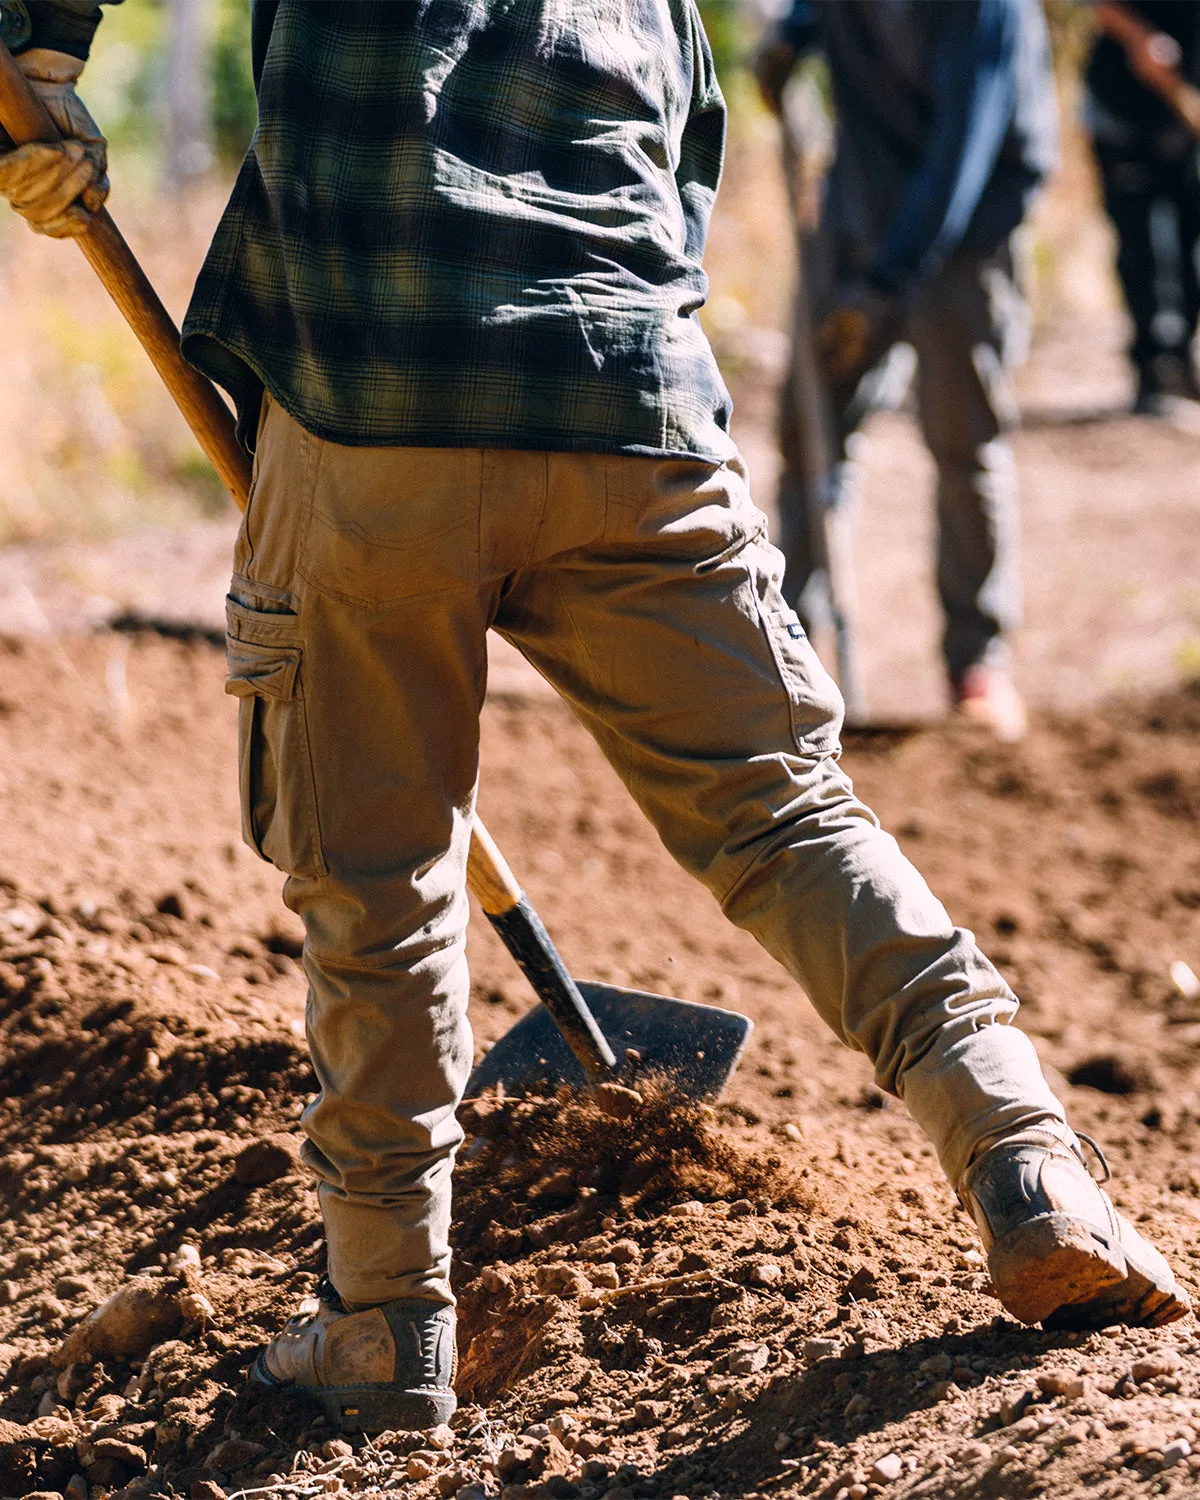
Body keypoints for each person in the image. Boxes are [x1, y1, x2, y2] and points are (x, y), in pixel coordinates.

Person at [1, 0, 1187, 1435]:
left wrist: (38, 61)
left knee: (381, 878)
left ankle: (380, 1317)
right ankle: (1028, 1162)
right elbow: (684, 175)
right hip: (634, 406)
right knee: (790, 813)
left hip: (373, 402)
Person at [755, 0, 1059, 741]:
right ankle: (789, 657)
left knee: (962, 440)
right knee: (808, 433)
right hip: (861, 217)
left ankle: (976, 668)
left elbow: (964, 148)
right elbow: (809, 22)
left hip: (964, 236)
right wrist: (787, 43)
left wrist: (886, 285)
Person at [1084, 2, 1200, 412]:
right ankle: (1153, 368)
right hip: (1122, 107)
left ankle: (1182, 360)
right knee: (1141, 243)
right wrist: (1138, 37)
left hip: (1187, 112)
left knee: (1190, 242)